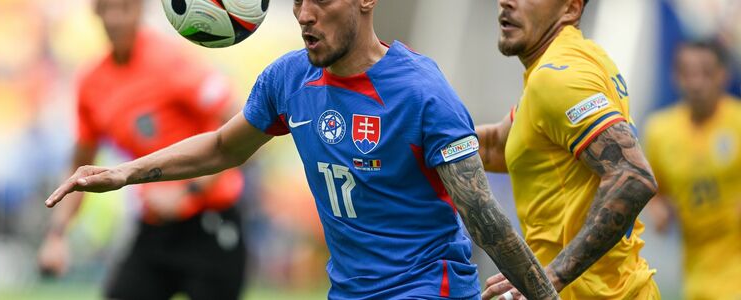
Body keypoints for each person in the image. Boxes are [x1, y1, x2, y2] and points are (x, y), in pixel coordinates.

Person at [45, 0, 560, 299]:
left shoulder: (423, 92)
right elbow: (224, 147)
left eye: (320, 0)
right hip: (349, 291)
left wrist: (544, 294)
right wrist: (124, 174)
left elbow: (484, 219)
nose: (304, 15)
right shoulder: (290, 78)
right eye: (297, 2)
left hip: (426, 288)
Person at [36, 0, 247, 299]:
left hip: (210, 222)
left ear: (140, 9)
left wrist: (189, 192)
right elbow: (79, 166)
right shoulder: (92, 83)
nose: (114, 18)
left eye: (123, 8)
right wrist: (56, 236)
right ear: (95, 12)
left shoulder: (172, 61)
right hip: (154, 227)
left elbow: (242, 125)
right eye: (106, 8)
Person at [477, 0, 661, 299]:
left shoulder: (557, 77)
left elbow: (633, 176)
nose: (506, 2)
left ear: (571, 9)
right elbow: (498, 147)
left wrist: (548, 277)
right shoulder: (582, 57)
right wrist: (418, 139)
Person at [644, 41, 741, 300]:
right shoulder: (659, 132)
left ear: (723, 75)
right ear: (676, 77)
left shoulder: (738, 122)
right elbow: (655, 190)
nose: (696, 83)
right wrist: (659, 209)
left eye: (706, 73)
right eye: (688, 73)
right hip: (696, 270)